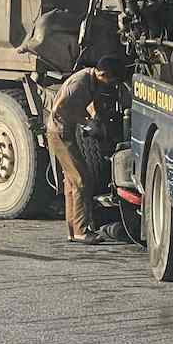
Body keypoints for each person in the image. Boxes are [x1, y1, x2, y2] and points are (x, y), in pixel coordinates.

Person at [46, 55, 124, 244]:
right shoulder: (79, 83)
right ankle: (81, 231)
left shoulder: (93, 80)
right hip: (59, 133)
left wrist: (95, 117)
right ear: (103, 74)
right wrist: (86, 123)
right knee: (81, 180)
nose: (111, 84)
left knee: (71, 183)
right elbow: (60, 106)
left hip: (66, 131)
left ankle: (73, 231)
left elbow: (91, 102)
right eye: (111, 80)